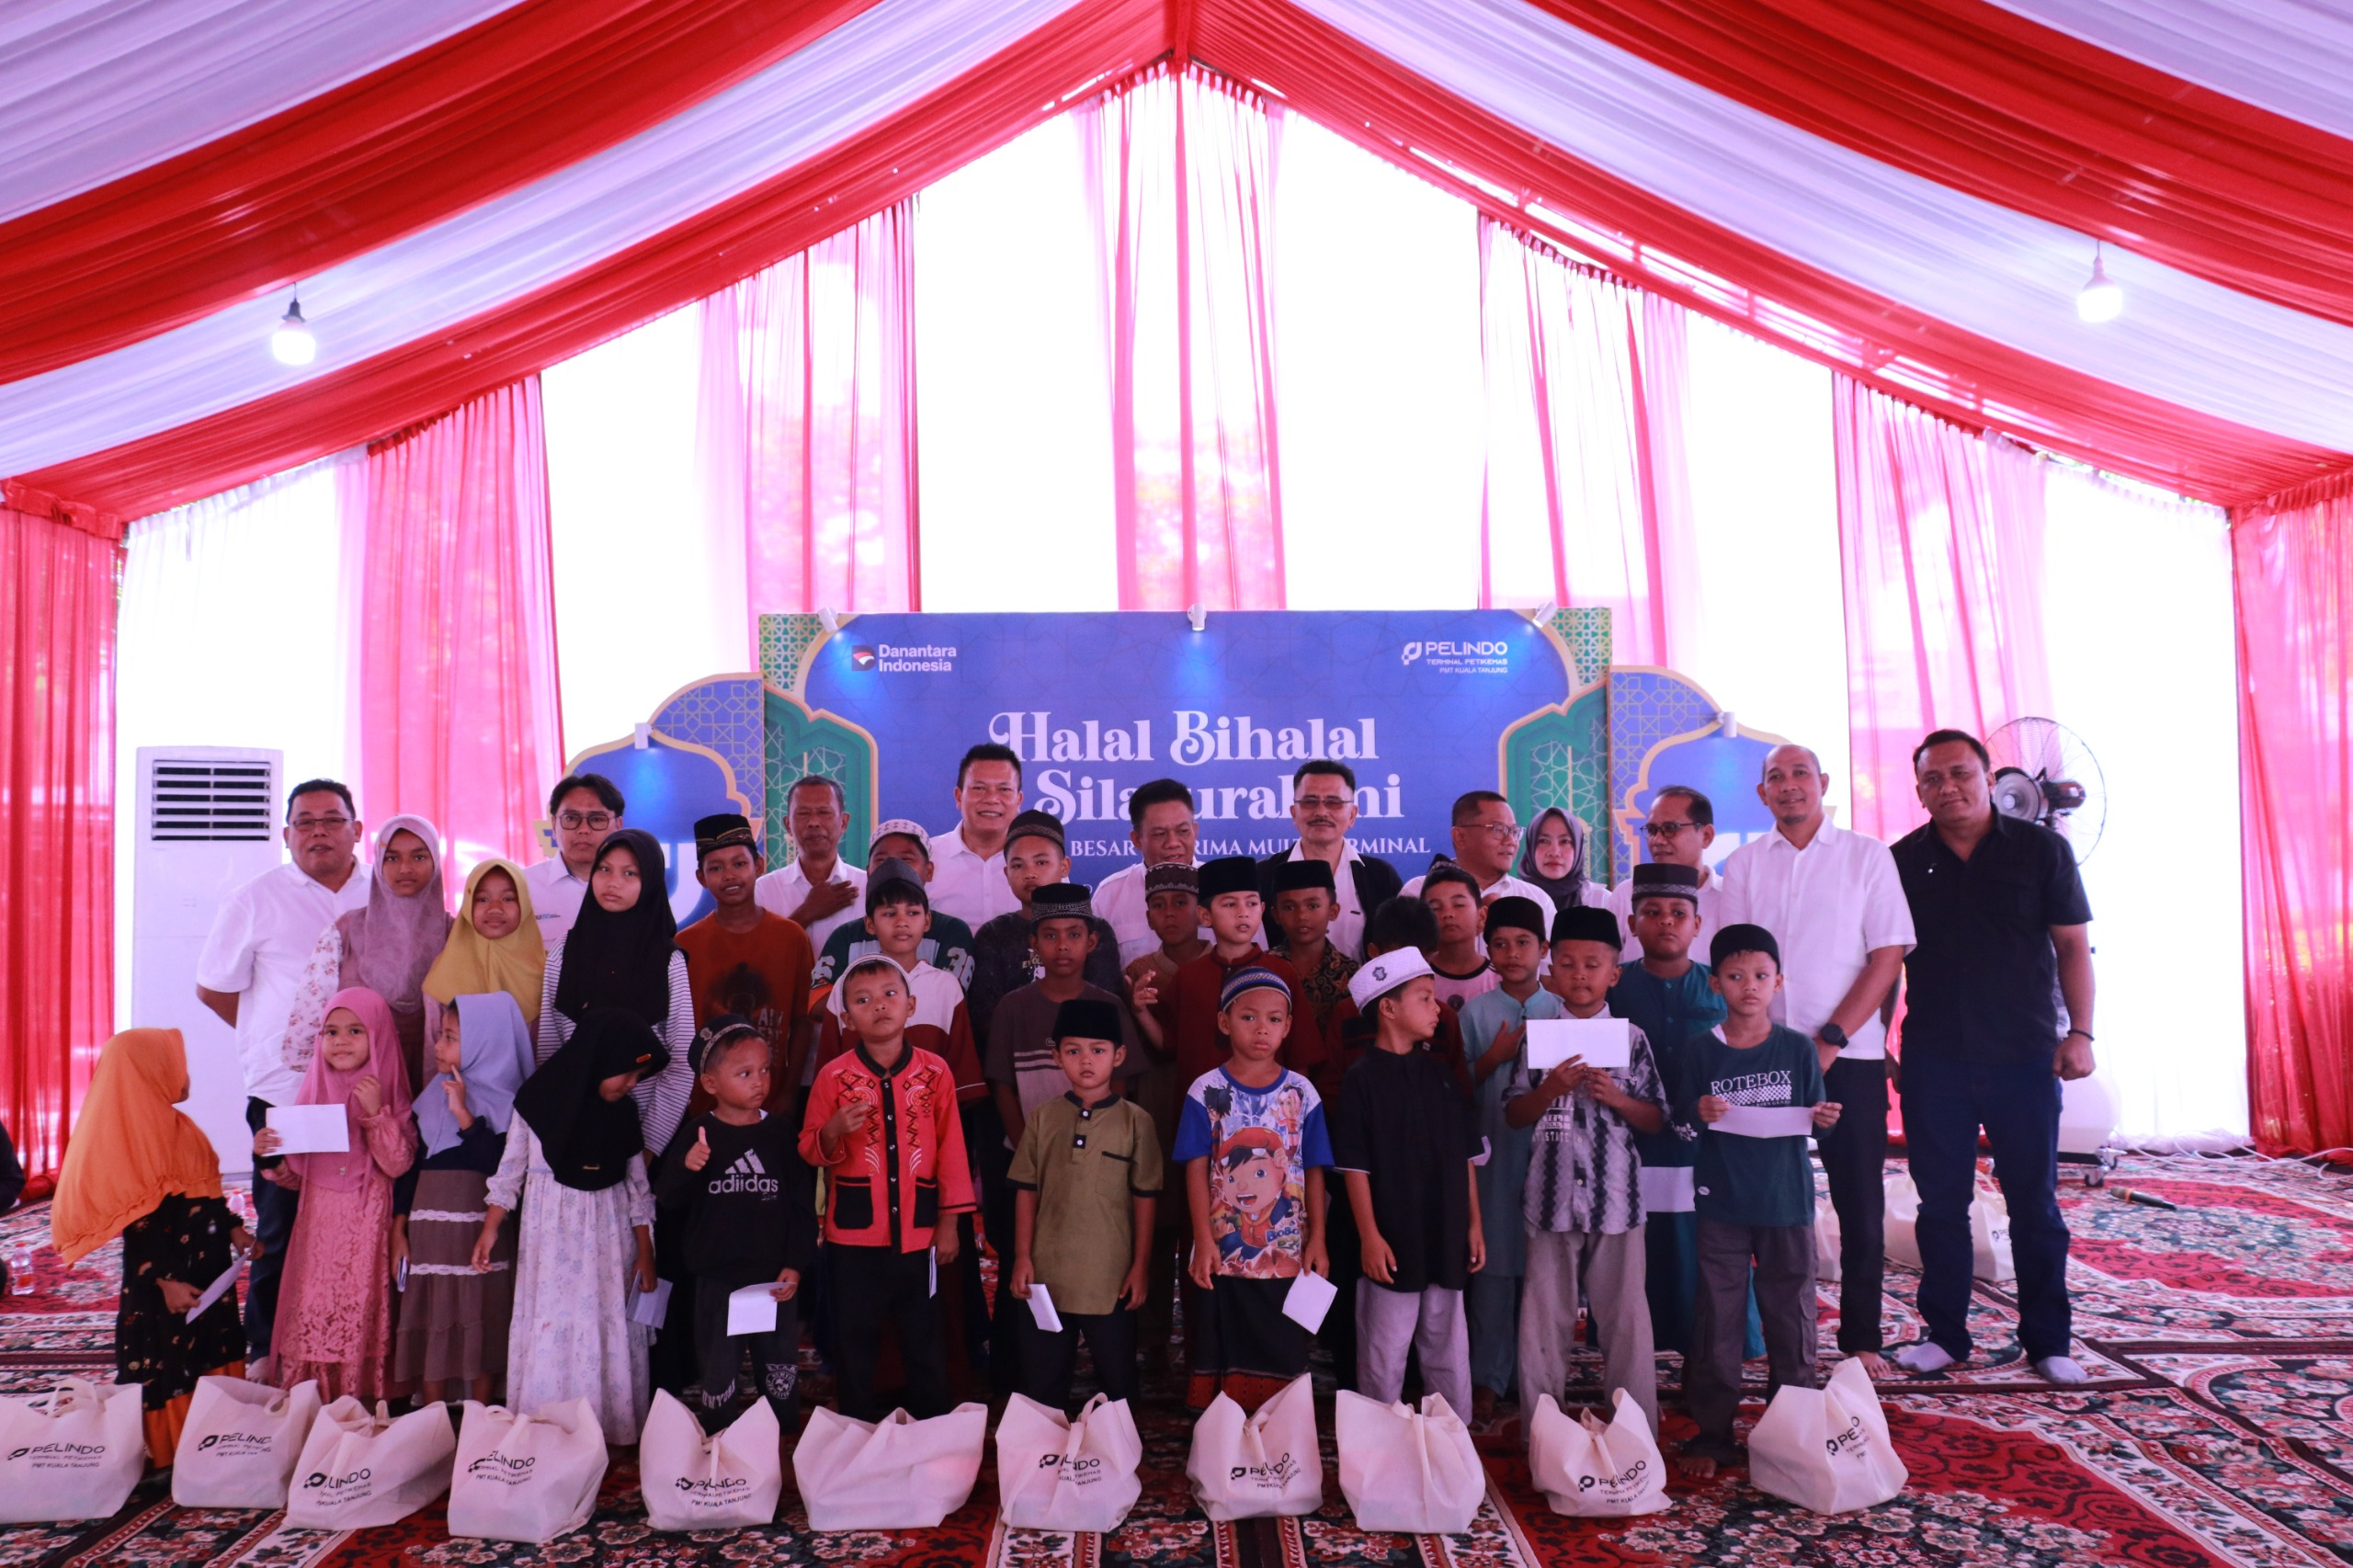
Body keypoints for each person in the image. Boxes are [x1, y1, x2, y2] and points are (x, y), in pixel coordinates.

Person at [1891, 730, 2097, 1384]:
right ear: (1919, 790)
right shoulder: (1901, 861)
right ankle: (1945, 1336)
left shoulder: (2041, 850)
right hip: (1935, 1059)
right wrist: (1877, 1047)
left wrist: (2081, 1033)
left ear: (1989, 778)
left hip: (2024, 1056)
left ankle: (2049, 1342)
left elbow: (2072, 946)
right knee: (1940, 1205)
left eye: (1960, 773)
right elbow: (1885, 960)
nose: (1948, 787)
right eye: (1933, 779)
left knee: (2034, 1204)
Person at [1717, 744, 1913, 1377]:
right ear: (1762, 793)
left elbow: (1887, 957)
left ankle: (1861, 1338)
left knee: (1859, 1202)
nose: (1789, 785)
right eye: (1776, 777)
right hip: (1761, 1056)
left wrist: (1829, 1038)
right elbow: (1733, 959)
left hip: (1849, 1055)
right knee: (1760, 1201)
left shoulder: (1866, 856)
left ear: (1823, 783)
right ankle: (1762, 1334)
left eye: (1800, 773)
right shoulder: (1744, 865)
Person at [196, 777, 368, 1362]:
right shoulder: (255, 899)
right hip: (285, 1092)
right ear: (287, 834)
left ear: (356, 830)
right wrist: (274, 1043)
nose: (319, 832)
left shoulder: (385, 888)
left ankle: (350, 1348)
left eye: (332, 820)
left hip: (368, 1093)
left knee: (361, 1222)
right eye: (305, 822)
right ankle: (267, 1350)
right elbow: (215, 988)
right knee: (282, 1223)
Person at [1675, 925, 1841, 1477]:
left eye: (1761, 976)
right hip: (1722, 1203)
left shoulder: (1797, 1049)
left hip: (1786, 1202)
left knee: (1791, 1317)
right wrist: (1698, 1112)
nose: (1749, 986)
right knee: (1717, 1318)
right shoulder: (1701, 1051)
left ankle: (1791, 1432)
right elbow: (1680, 1125)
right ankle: (1714, 1434)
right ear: (1715, 983)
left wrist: (1827, 1119)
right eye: (1736, 976)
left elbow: (1817, 1120)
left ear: (1778, 982)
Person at [50, 1028, 258, 1465]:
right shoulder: (130, 1140)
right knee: (169, 1356)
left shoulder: (180, 1127)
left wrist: (234, 1229)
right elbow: (140, 1227)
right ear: (148, 1072)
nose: (185, 1075)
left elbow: (206, 1194)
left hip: (206, 1271)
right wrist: (164, 1281)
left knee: (213, 1342)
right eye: (175, 1065)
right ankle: (172, 1451)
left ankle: (218, 1437)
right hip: (166, 1284)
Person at [1506, 907, 1667, 1434]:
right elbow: (1513, 1114)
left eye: (1593, 965)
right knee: (1543, 1322)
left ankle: (1636, 1430)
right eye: (1569, 964)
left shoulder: (1632, 1039)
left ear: (1614, 974)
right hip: (1548, 1199)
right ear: (1551, 971)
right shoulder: (1537, 1039)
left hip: (1617, 1200)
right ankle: (1542, 1431)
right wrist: (1548, 1090)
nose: (1580, 975)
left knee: (1626, 1320)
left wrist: (1618, 1099)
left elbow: (1656, 1119)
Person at [800, 956, 976, 1420]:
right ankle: (856, 1431)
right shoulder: (833, 1077)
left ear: (911, 1006)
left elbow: (951, 1150)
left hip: (920, 1234)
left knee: (924, 1337)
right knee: (854, 1338)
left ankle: (931, 1433)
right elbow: (809, 1149)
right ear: (846, 1018)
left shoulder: (935, 1072)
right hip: (853, 1238)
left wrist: (950, 1224)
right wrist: (833, 1130)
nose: (878, 1005)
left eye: (889, 995)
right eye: (863, 1000)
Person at [476, 1008, 665, 1443]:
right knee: (554, 1324)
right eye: (628, 1073)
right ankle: (548, 1431)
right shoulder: (536, 1104)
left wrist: (645, 1250)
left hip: (609, 1241)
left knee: (604, 1322)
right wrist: (490, 1227)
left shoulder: (623, 1114)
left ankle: (606, 1430)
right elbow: (511, 1171)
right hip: (551, 1241)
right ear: (600, 1059)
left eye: (638, 1076)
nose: (631, 1084)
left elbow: (638, 1189)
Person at [1603, 864, 1748, 1362]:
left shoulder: (1718, 986)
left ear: (1697, 924)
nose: (1666, 921)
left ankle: (1708, 1354)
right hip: (1629, 1141)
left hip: (1706, 1143)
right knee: (1637, 1249)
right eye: (1652, 912)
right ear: (1631, 924)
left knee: (1704, 1249)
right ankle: (1635, 1352)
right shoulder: (1614, 986)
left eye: (1678, 913)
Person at [1331, 949, 1484, 1416]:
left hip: (1445, 1232)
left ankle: (1452, 1436)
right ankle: (1379, 1438)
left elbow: (1464, 1157)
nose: (1436, 1008)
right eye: (1424, 998)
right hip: (1393, 1238)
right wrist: (1370, 1237)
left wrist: (1473, 1225)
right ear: (1388, 1008)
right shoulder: (1360, 1081)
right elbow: (1354, 1167)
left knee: (1447, 1343)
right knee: (1384, 1347)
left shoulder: (1442, 1076)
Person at [1174, 968, 1332, 1410]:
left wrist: (1318, 1238)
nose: (1262, 1028)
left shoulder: (1302, 1093)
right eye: (1248, 1017)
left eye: (1274, 1019)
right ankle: (1224, 1433)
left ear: (1288, 1026)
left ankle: (1278, 1431)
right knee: (1225, 1339)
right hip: (1223, 1252)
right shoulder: (1206, 1091)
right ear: (1224, 1022)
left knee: (1282, 1341)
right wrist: (1203, 1239)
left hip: (1287, 1252)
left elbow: (1315, 1169)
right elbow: (1195, 1168)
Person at [254, 988, 417, 1398]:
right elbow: (300, 1177)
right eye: (331, 1032)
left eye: (355, 1030)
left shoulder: (390, 1093)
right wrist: (271, 1158)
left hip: (367, 1229)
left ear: (378, 1035)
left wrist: (376, 1115)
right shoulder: (313, 1094)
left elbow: (398, 1164)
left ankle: (358, 1395)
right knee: (314, 1303)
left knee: (356, 1304)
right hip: (317, 1231)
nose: (341, 1041)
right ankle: (312, 1394)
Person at [656, 1020, 815, 1433]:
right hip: (718, 1279)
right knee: (719, 1368)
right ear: (710, 1083)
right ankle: (720, 1443)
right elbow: (668, 1199)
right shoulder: (698, 1133)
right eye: (744, 1073)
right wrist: (687, 1167)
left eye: (764, 1069)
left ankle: (779, 1442)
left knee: (778, 1369)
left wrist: (796, 1263)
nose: (759, 1081)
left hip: (773, 1280)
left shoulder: (780, 1133)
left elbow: (801, 1206)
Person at [1006, 998, 1163, 1411]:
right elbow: (1026, 1190)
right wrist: (1022, 1257)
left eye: (1098, 1050)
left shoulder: (1136, 1122)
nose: (1086, 1060)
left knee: (1117, 1381)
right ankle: (1046, 1445)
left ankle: (1116, 1446)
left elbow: (1145, 1198)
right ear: (1057, 1057)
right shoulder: (1043, 1118)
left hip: (1109, 1277)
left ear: (1119, 1056)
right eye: (1073, 1050)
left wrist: (1140, 1266)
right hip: (1048, 1273)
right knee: (1043, 1382)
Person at [392, 992, 532, 1406]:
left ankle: (481, 1419)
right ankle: (435, 1418)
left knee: (481, 1315)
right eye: (440, 1035)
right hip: (430, 1233)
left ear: (487, 1043)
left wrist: (465, 1116)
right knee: (432, 1315)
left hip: (479, 1231)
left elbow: (500, 1167)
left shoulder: (512, 1105)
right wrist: (398, 1229)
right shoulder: (431, 1097)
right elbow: (411, 1168)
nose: (438, 1046)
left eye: (450, 1037)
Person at [1457, 897, 1563, 1420]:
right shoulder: (1475, 1013)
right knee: (1494, 1266)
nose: (1512, 953)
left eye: (1523, 943)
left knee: (1544, 1267)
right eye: (1500, 944)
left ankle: (1535, 1374)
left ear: (1544, 949)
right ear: (1488, 950)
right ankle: (1487, 1376)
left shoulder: (1562, 1009)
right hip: (1493, 1154)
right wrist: (1492, 1059)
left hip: (1552, 1153)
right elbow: (1456, 1086)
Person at [536, 829, 697, 1158]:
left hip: (645, 1134)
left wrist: (648, 1146)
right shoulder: (565, 951)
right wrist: (560, 1128)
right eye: (605, 869)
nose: (613, 882)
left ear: (650, 882)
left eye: (630, 873)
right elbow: (551, 1052)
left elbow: (682, 1062)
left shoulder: (668, 960)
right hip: (575, 1134)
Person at [286, 814, 451, 1097]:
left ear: (435, 861)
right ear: (378, 863)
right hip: (360, 1082)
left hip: (437, 1076)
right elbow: (312, 1017)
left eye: (419, 857)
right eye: (392, 858)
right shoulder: (346, 932)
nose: (405, 868)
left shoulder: (456, 933)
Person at [676, 812, 814, 1108]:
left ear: (759, 866)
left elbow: (802, 1022)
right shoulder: (685, 945)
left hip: (773, 1100)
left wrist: (789, 1093)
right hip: (706, 1104)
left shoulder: (792, 937)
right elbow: (677, 1032)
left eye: (739, 864)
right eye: (716, 868)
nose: (729, 875)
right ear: (701, 878)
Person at [1134, 857, 1311, 1084]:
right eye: (1230, 904)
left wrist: (1296, 1101)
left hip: (1267, 1103)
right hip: (1200, 1102)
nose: (1243, 913)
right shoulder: (1189, 976)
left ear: (1262, 909)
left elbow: (1300, 1054)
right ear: (1205, 916)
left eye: (1251, 903)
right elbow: (1169, 1044)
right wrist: (1141, 1011)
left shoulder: (1282, 972)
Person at [986, 885, 1144, 1137]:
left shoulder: (1110, 1006)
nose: (1062, 945)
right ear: (1034, 943)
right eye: (1050, 936)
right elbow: (1002, 1087)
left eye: (1074, 935)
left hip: (1098, 1147)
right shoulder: (1012, 1007)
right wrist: (1026, 1147)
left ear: (1091, 942)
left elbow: (1120, 1084)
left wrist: (1101, 1142)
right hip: (1030, 1148)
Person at [967, 812, 1126, 1055]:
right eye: (1018, 865)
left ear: (1064, 866)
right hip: (1015, 1060)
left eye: (1041, 863)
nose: (1030, 873)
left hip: (1086, 1061)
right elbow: (986, 1018)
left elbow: (1104, 1009)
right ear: (1006, 874)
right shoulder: (993, 934)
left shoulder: (1096, 930)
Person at [1256, 760, 1403, 960]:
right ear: (1294, 813)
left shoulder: (1381, 877)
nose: (1321, 812)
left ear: (1352, 815)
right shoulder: (1263, 876)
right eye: (1310, 802)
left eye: (1334, 802)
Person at [808, 820, 979, 992]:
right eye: (882, 861)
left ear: (928, 871)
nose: (894, 867)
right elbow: (819, 998)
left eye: (906, 860)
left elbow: (948, 998)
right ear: (868, 872)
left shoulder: (951, 932)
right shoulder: (846, 936)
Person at [1401, 791, 1558, 933]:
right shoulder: (1418, 892)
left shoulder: (1536, 899)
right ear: (1460, 837)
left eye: (1514, 831)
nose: (1511, 841)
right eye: (1498, 829)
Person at [1597, 789, 1723, 960]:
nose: (1657, 840)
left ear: (1706, 836)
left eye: (1670, 828)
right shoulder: (1626, 894)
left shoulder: (1727, 896)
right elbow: (1604, 964)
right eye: (1652, 830)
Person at [422, 858, 546, 1032]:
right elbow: (435, 1045)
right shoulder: (444, 973)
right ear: (468, 905)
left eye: (508, 898)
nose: (495, 908)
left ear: (524, 904)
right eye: (482, 899)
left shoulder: (549, 972)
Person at [754, 776, 868, 953]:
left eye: (824, 812)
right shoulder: (764, 889)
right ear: (788, 825)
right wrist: (807, 912)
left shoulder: (867, 886)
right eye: (803, 813)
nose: (813, 822)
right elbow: (758, 956)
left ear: (844, 822)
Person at [1097, 778, 1204, 964]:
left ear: (1195, 831)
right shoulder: (1109, 896)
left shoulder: (1225, 889)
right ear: (1137, 839)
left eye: (1182, 831)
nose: (1173, 843)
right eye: (1160, 834)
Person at [930, 743, 1026, 930]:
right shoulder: (927, 859)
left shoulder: (1042, 863)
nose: (991, 799)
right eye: (979, 788)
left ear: (1019, 800)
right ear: (958, 797)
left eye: (1004, 789)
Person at [528, 774, 625, 946]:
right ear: (554, 825)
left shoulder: (636, 886)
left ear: (618, 825)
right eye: (571, 818)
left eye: (597, 819)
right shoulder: (523, 887)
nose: (583, 829)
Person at [1421, 862, 1501, 1014]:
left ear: (1482, 916)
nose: (1447, 914)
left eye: (1458, 905)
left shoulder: (1502, 979)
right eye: (1435, 908)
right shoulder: (1414, 980)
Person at [1516, 805, 1593, 918]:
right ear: (1531, 847)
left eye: (1565, 841)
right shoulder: (1512, 897)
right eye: (1543, 841)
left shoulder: (1600, 900)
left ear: (1578, 848)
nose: (1554, 852)